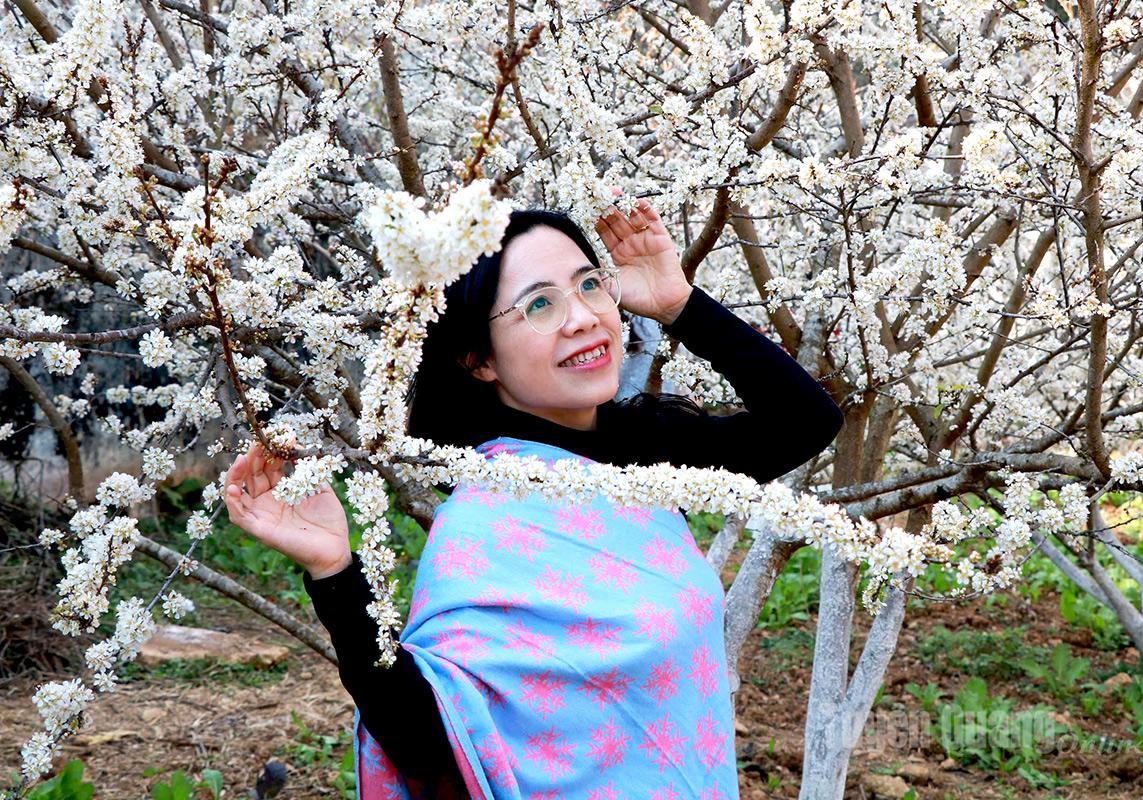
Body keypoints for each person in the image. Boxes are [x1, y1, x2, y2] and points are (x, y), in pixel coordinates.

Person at [224, 197, 844, 798]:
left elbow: (806, 422)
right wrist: (334, 572)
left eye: (590, 286)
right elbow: (424, 744)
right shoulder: (487, 517)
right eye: (540, 305)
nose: (582, 317)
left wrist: (680, 304)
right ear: (479, 360)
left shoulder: (647, 448)